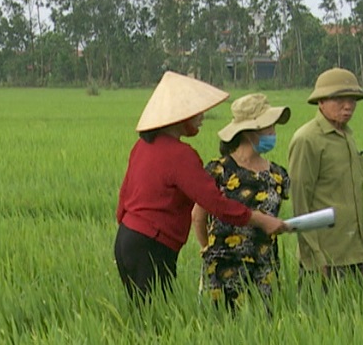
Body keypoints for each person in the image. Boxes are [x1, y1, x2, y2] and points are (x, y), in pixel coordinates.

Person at [115, 72, 289, 301]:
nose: (202, 117)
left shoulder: (143, 147)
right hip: (151, 245)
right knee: (157, 322)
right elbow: (215, 203)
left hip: (127, 240)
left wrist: (130, 237)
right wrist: (260, 219)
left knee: (146, 314)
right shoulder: (180, 155)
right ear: (180, 116)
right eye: (197, 112)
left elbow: (123, 199)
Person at [192, 93, 291, 310]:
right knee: (224, 328)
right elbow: (198, 216)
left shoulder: (277, 174)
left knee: (264, 327)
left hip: (265, 265)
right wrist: (208, 249)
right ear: (248, 132)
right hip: (224, 265)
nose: (273, 132)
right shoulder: (219, 171)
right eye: (268, 126)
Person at [287, 68, 363, 283]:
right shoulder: (307, 139)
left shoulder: (348, 137)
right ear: (321, 102)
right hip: (326, 257)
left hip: (356, 253)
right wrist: (314, 256)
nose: (348, 106)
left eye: (352, 100)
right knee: (322, 315)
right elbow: (300, 203)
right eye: (339, 99)